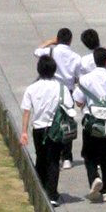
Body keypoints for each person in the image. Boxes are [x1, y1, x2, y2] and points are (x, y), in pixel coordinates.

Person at [20, 54, 74, 203]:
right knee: (54, 161)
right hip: (56, 129)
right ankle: (52, 194)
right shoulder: (61, 88)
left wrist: (24, 132)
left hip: (38, 128)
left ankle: (39, 190)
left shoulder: (32, 88)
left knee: (41, 158)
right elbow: (69, 107)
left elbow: (26, 111)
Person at [77, 46, 106, 204]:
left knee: (89, 155)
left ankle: (94, 178)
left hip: (91, 123)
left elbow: (78, 101)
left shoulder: (85, 79)